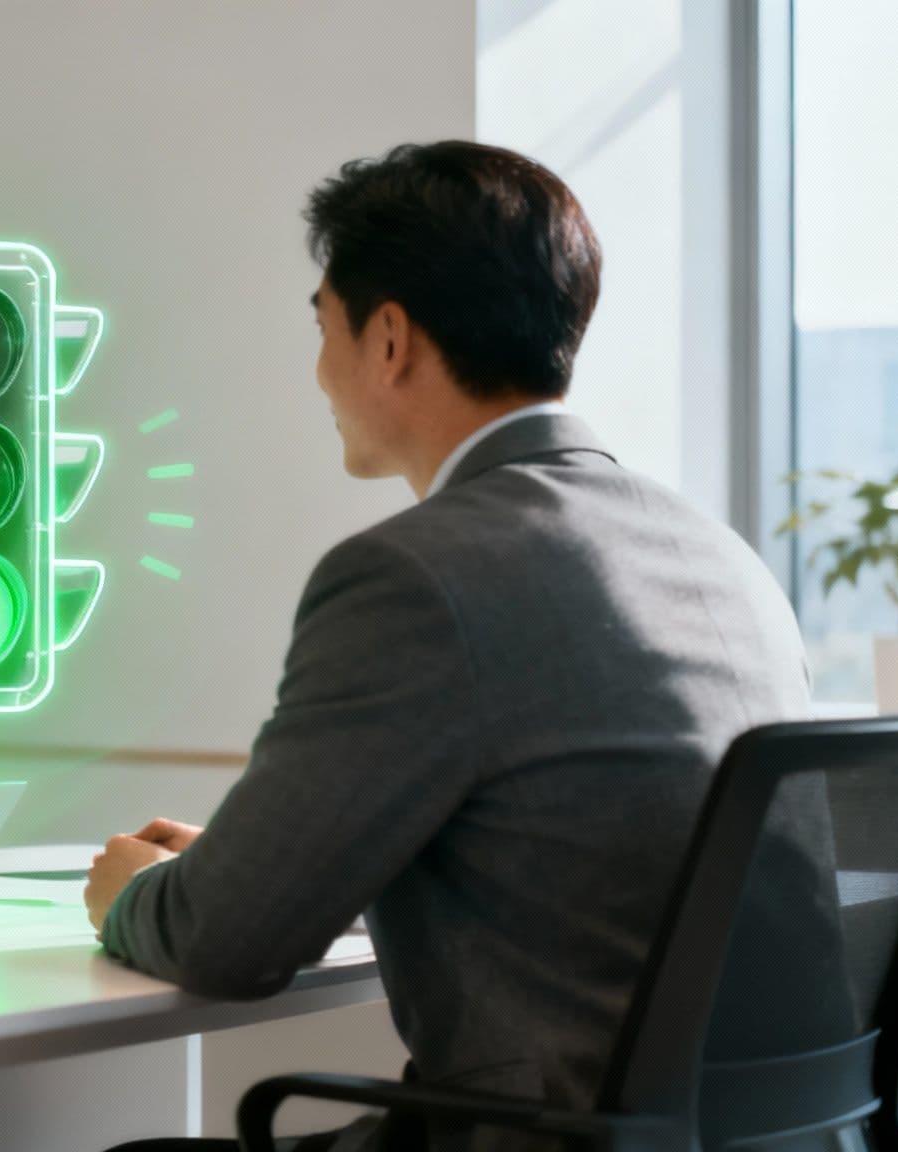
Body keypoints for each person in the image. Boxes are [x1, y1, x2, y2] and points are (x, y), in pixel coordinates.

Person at [86, 142, 813, 1152]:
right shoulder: (716, 555)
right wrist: (246, 863)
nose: (317, 373)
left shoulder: (413, 577)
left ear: (387, 339)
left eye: (322, 328)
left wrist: (133, 897)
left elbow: (223, 946)